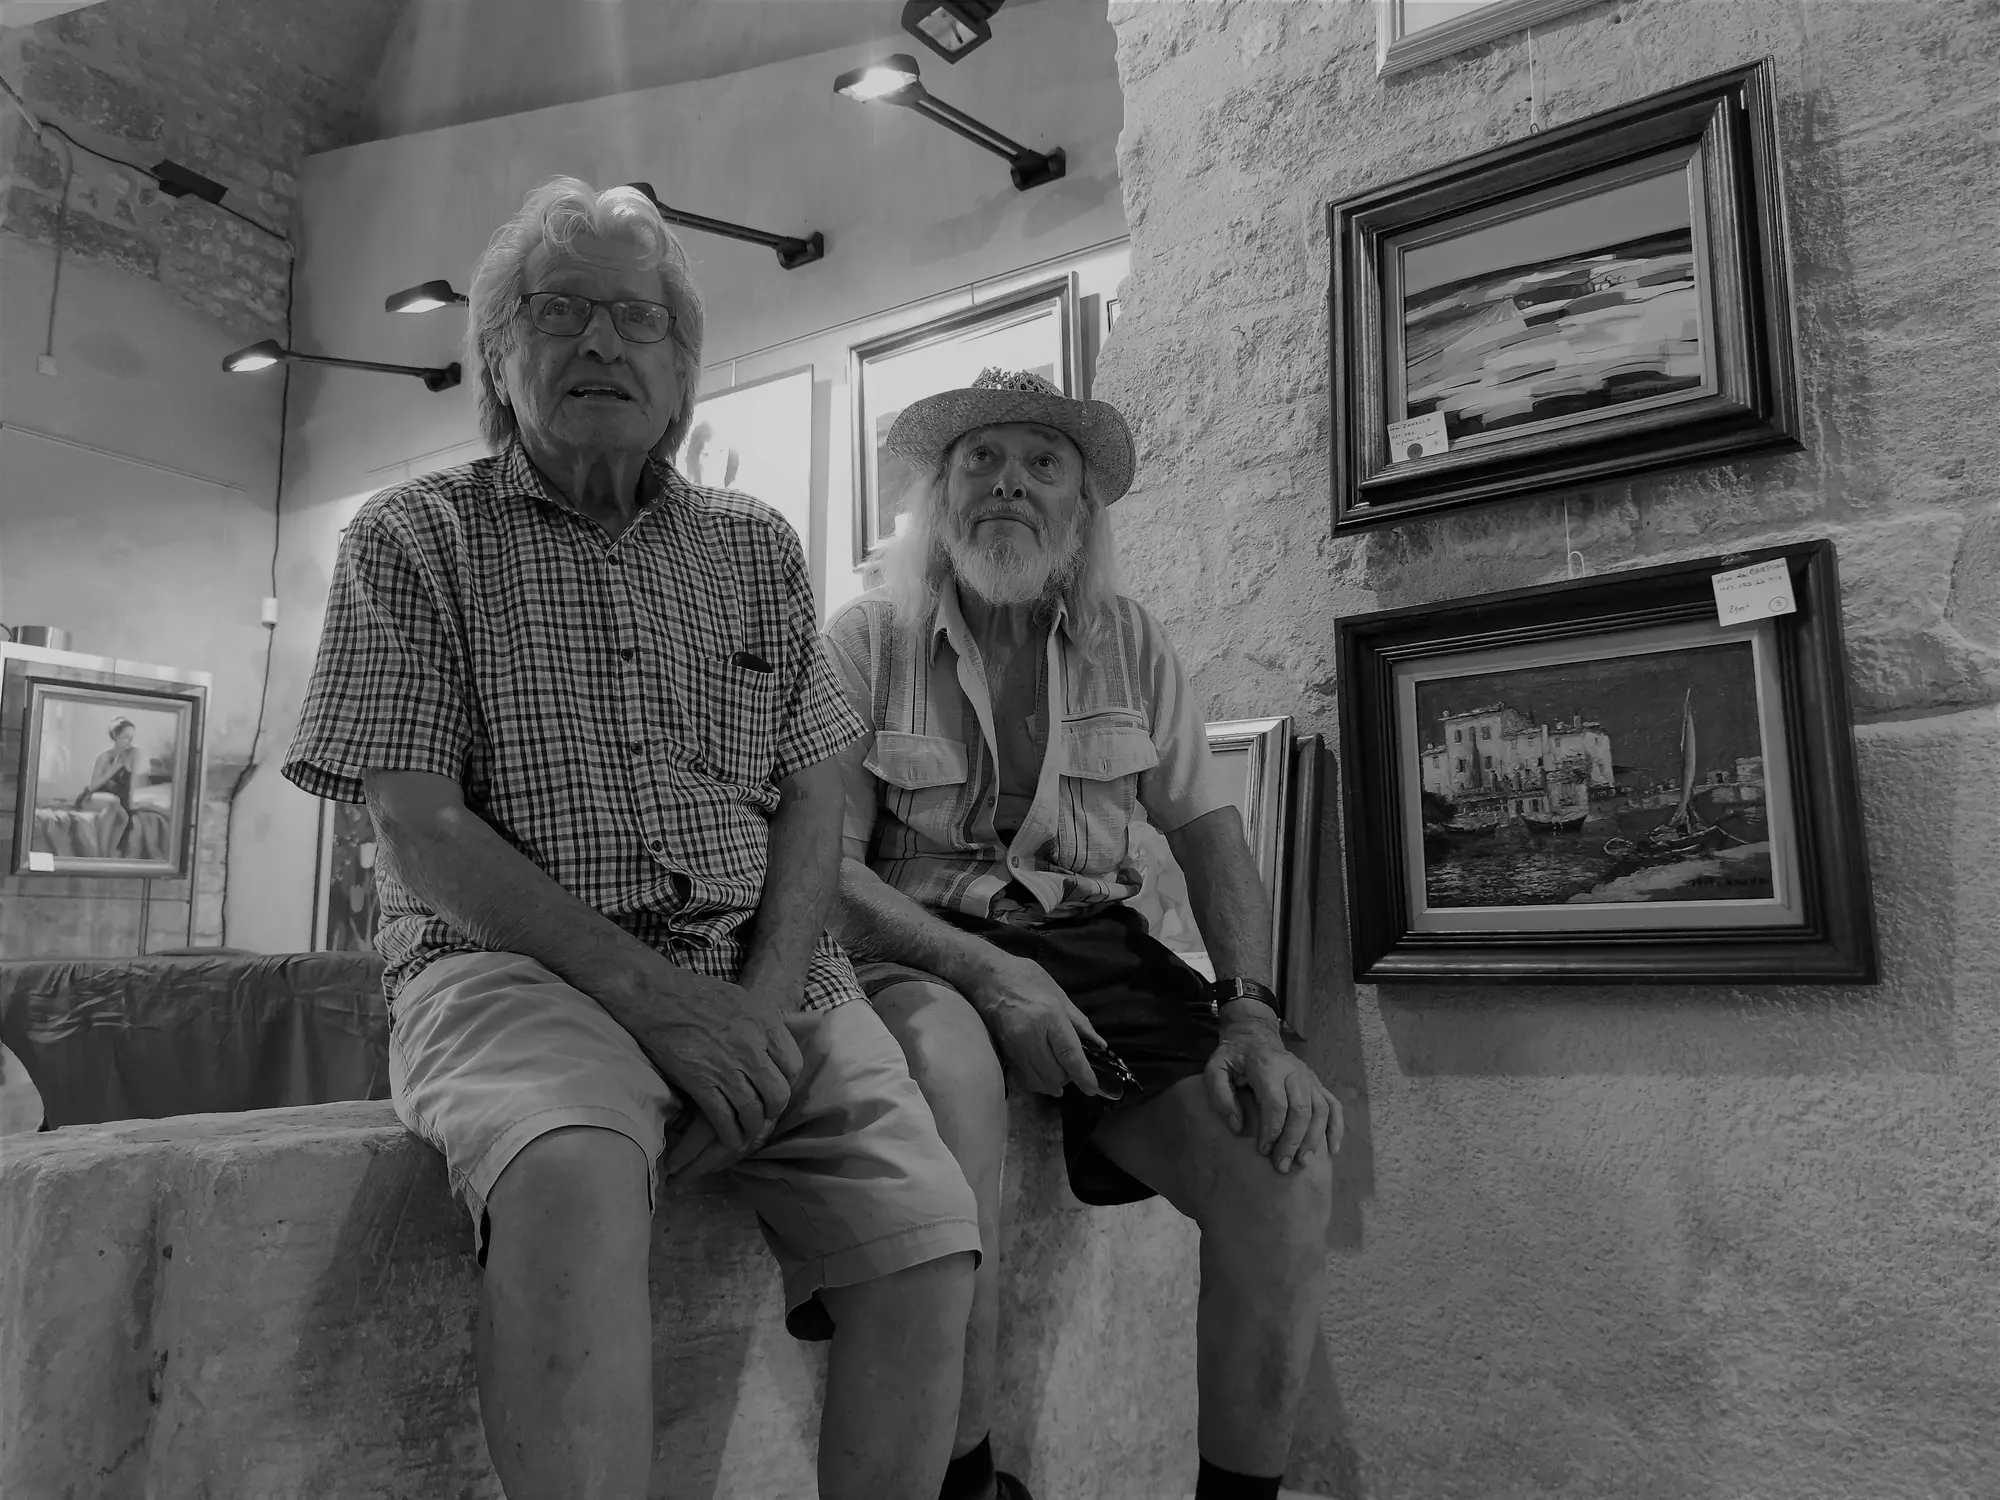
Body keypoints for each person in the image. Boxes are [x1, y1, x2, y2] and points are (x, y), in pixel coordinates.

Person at [284, 177, 981, 1500]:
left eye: (640, 319)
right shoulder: (412, 539)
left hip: (761, 969)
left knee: (926, 1239)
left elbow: (818, 786)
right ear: (497, 359)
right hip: (515, 969)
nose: (603, 342)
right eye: (561, 311)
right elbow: (420, 827)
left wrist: (766, 1008)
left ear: (682, 375)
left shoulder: (756, 545)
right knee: (567, 1177)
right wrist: (667, 1010)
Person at [823, 369, 1342, 1500]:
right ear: (937, 496)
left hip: (1095, 944)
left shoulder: (1128, 641)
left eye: (1042, 464)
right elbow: (826, 877)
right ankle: (965, 1478)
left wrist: (1249, 1012)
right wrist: (987, 971)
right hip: (916, 944)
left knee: (1283, 1165)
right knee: (951, 1081)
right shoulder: (864, 640)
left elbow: (1212, 838)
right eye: (980, 459)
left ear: (1078, 513)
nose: (1009, 481)